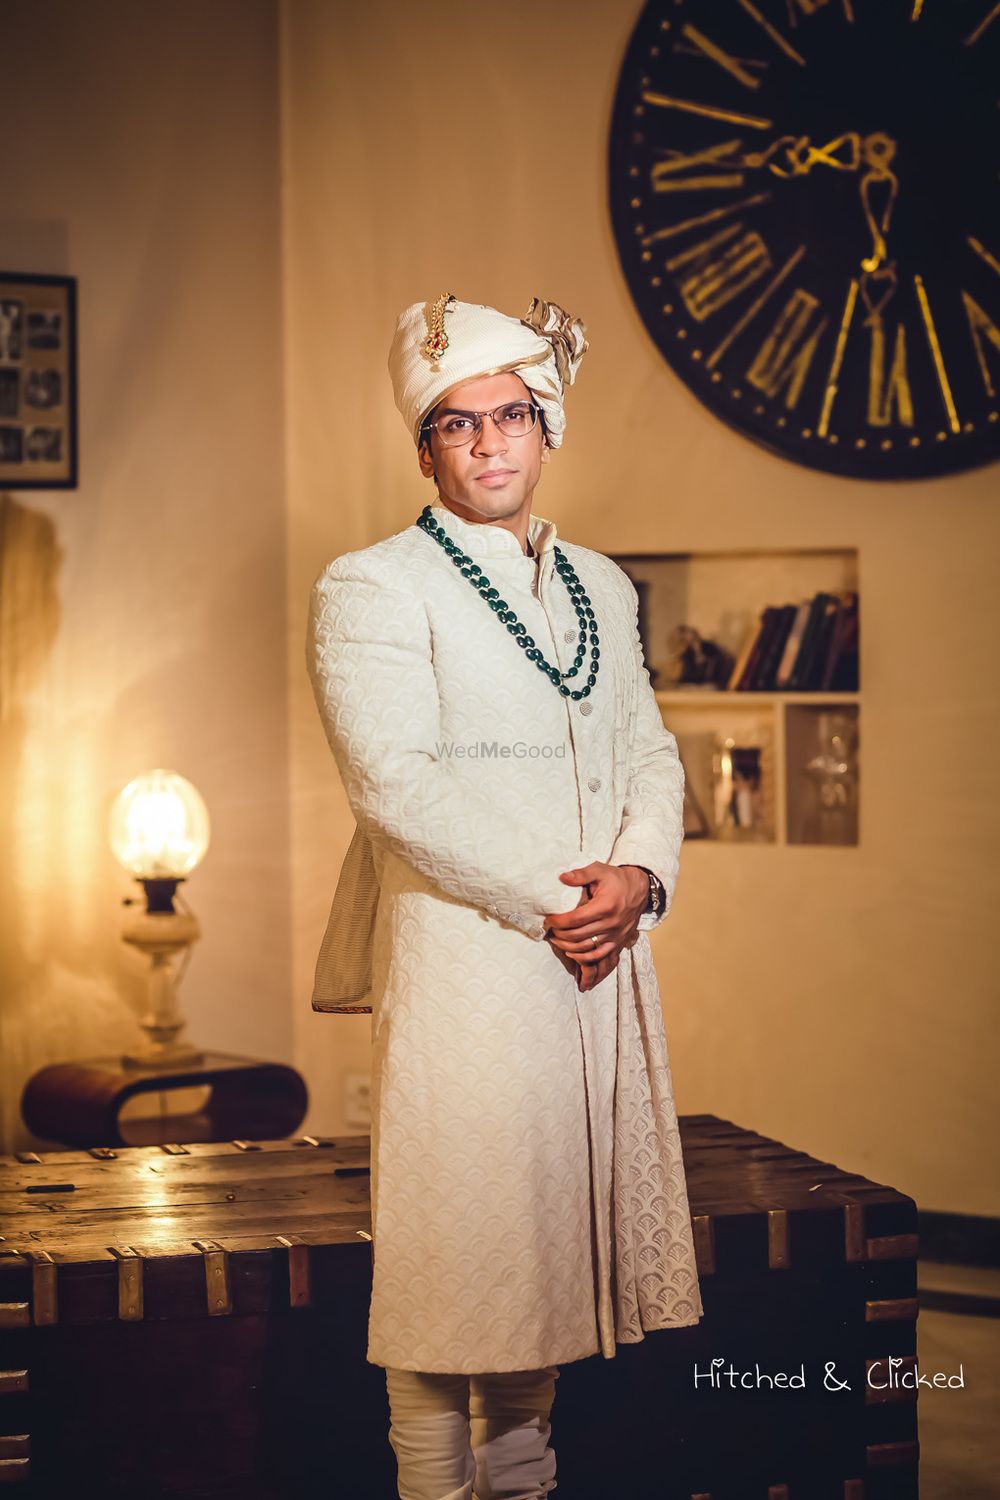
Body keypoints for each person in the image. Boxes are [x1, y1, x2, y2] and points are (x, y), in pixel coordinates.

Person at [306, 293, 703, 1500]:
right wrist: (563, 899)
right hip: (472, 959)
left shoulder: (600, 583)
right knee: (448, 1270)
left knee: (545, 1263)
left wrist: (639, 877)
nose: (489, 446)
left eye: (511, 417)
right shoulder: (371, 585)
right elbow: (395, 786)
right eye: (458, 425)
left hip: (596, 958)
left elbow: (648, 749)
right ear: (423, 447)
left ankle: (524, 1483)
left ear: (548, 428)